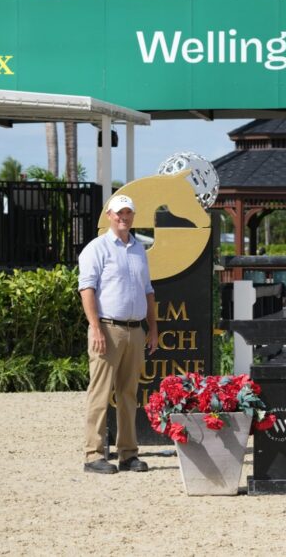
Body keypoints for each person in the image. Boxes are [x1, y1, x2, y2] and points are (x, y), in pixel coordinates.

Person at [78, 194, 159, 474]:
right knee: (100, 393)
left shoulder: (139, 250)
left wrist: (153, 328)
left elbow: (148, 291)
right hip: (107, 329)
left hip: (135, 330)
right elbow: (86, 290)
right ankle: (93, 455)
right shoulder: (96, 249)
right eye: (119, 213)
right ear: (109, 216)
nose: (124, 217)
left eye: (128, 213)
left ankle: (127, 454)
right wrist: (95, 327)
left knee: (128, 394)